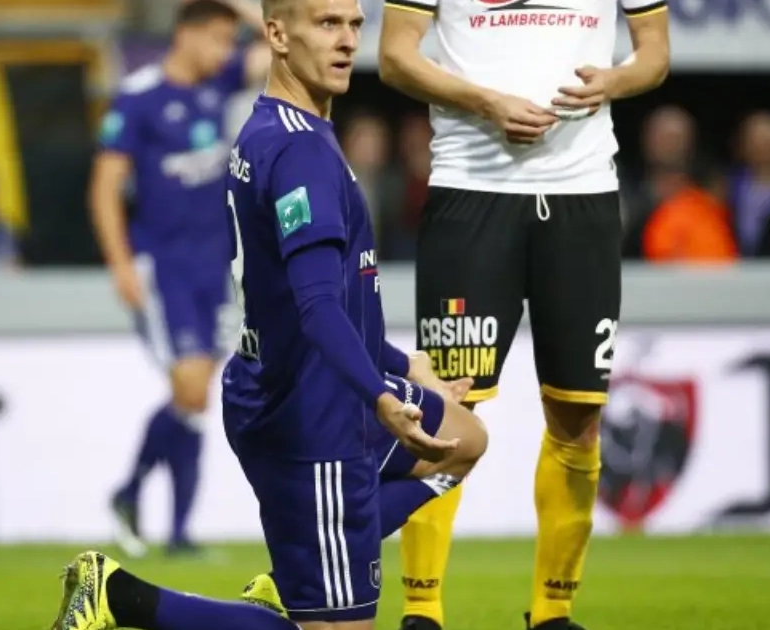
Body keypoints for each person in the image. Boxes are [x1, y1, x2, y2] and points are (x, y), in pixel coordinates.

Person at [48, 0, 487, 626]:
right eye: (327, 24)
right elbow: (317, 304)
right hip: (316, 415)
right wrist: (381, 395)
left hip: (308, 384)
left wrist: (401, 363)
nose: (347, 41)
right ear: (277, 34)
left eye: (355, 25)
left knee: (466, 440)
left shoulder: (268, 126)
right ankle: (119, 596)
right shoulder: (300, 152)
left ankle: (309, 567)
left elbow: (311, 297)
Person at [376, 0, 671, 628]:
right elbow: (395, 56)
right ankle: (422, 610)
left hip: (583, 197)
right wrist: (486, 101)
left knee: (579, 416)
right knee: (444, 407)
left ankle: (552, 613)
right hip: (471, 193)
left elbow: (655, 53)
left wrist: (614, 81)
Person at [91, 0, 271, 558]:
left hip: (216, 266)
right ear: (186, 35)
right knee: (190, 388)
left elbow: (283, 44)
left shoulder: (220, 81)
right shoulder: (139, 96)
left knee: (195, 399)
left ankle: (175, 530)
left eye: (229, 41)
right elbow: (104, 185)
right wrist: (120, 262)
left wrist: (241, 10)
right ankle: (131, 493)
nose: (226, 51)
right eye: (217, 38)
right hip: (163, 266)